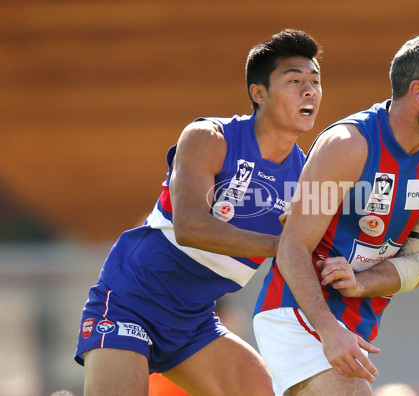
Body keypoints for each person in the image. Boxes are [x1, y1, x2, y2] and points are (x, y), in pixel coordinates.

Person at [74, 28, 323, 396]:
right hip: (130, 301)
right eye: (294, 80)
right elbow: (190, 225)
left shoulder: (308, 178)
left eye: (315, 81)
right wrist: (284, 245)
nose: (310, 91)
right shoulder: (209, 137)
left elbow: (332, 243)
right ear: (258, 93)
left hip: (194, 322)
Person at [253, 34, 419, 395]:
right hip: (296, 311)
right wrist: (327, 329)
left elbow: (416, 264)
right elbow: (291, 247)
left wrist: (363, 282)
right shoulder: (348, 145)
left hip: (356, 325)